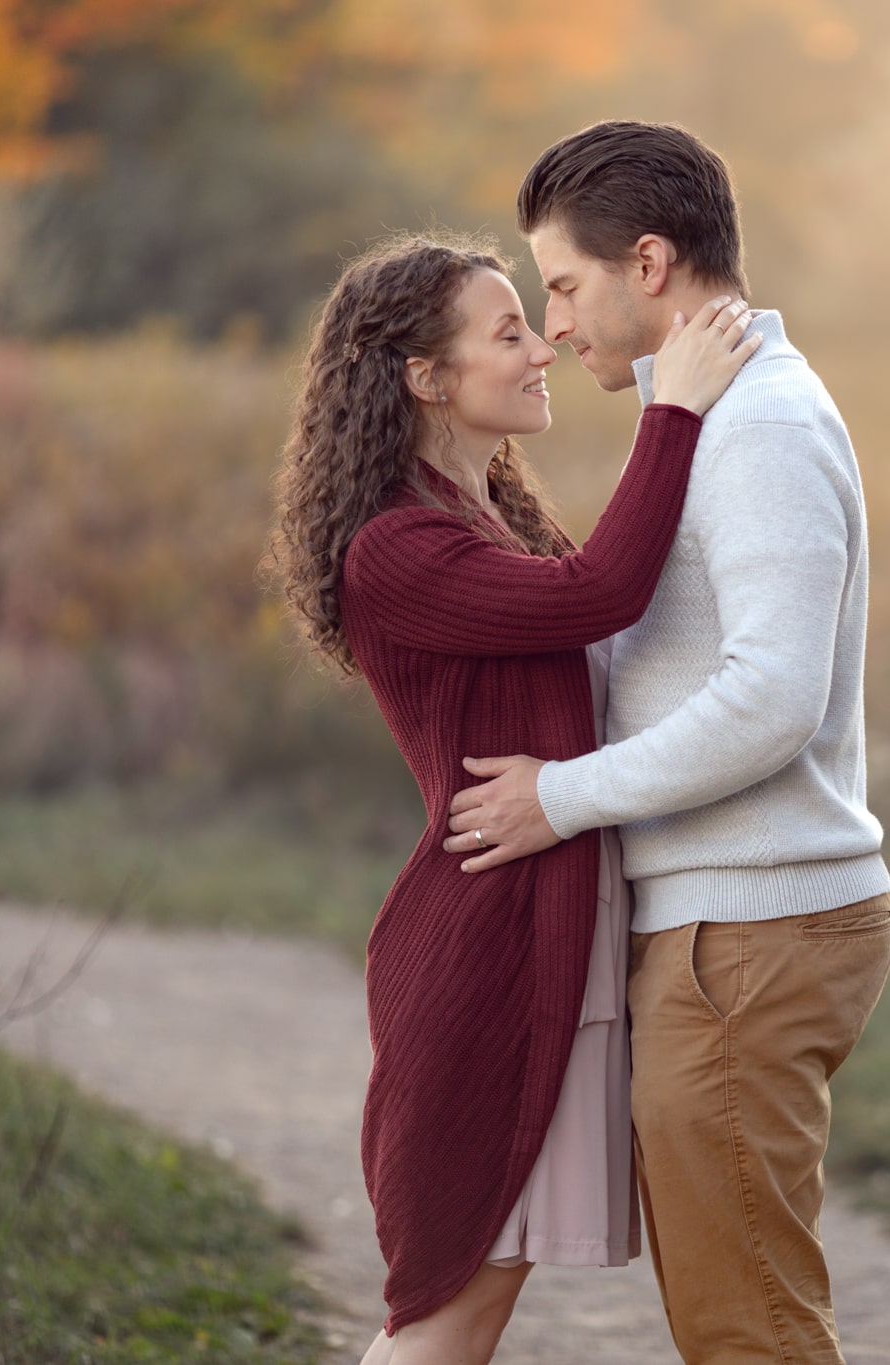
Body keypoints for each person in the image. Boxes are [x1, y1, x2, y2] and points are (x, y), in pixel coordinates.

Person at [442, 120, 890, 1365]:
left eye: (564, 286)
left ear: (648, 263)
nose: (553, 323)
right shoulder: (712, 420)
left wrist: (563, 797)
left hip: (749, 937)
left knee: (746, 1333)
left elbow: (770, 698)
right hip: (722, 933)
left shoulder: (759, 427)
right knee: (736, 1319)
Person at [269, 230, 758, 1364]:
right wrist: (670, 407)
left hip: (544, 941)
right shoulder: (398, 548)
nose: (542, 347)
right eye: (507, 332)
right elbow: (604, 590)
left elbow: (614, 619)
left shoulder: (490, 513)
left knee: (475, 1308)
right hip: (481, 956)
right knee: (446, 1313)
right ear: (424, 378)